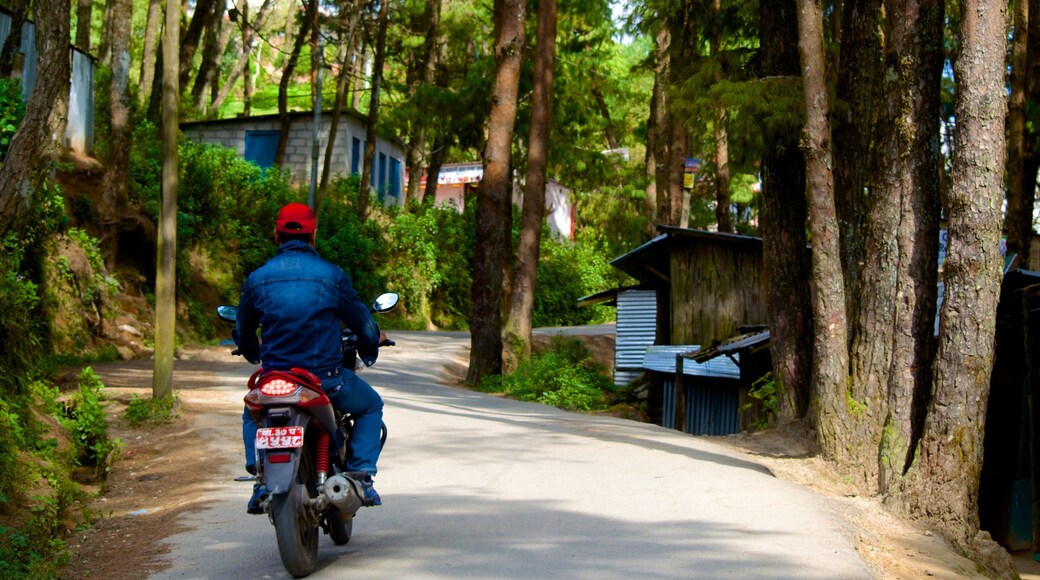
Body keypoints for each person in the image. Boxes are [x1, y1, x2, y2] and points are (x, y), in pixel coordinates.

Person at [235, 202, 386, 513]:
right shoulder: (332, 276)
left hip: (274, 381)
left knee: (252, 412)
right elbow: (362, 323)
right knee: (371, 406)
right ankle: (359, 474)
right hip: (326, 381)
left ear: (276, 235)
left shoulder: (257, 278)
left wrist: (254, 353)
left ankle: (260, 473)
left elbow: (244, 330)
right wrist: (373, 340)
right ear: (313, 236)